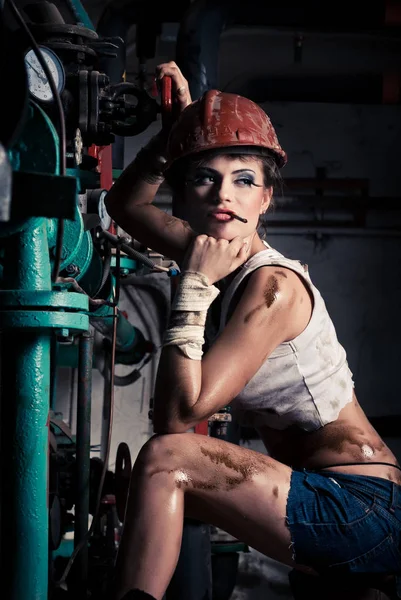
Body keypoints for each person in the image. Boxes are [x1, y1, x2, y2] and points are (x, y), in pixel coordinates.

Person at [105, 61, 401, 600]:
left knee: (167, 460)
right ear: (185, 193)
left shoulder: (272, 286)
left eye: (244, 181)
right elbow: (124, 204)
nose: (225, 196)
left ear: (265, 198)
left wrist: (193, 286)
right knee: (163, 483)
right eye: (205, 178)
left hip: (357, 505)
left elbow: (175, 418)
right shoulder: (215, 251)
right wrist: (169, 141)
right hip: (321, 499)